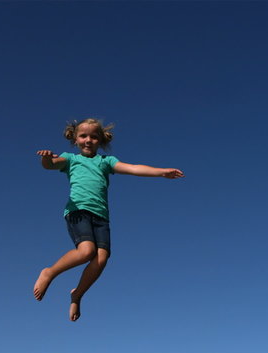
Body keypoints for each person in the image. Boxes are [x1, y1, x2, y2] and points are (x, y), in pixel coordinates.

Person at [33, 118, 184, 321]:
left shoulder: (106, 162)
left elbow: (133, 168)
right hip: (78, 211)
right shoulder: (70, 158)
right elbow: (50, 165)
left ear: (101, 140)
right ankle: (49, 273)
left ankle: (77, 294)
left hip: (101, 217)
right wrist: (46, 158)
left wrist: (161, 172)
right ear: (75, 139)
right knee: (86, 251)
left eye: (94, 137)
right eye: (83, 136)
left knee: (101, 259)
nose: (88, 140)